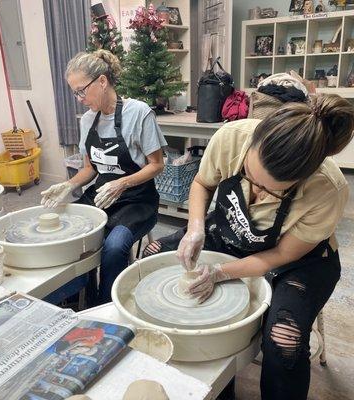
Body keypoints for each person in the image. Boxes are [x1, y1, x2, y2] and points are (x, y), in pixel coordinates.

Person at [143, 94, 354, 400]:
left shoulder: (327, 188)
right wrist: (195, 227)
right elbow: (203, 183)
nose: (256, 189)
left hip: (300, 259)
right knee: (154, 255)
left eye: (269, 189)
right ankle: (210, 386)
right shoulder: (232, 137)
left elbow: (281, 255)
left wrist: (219, 273)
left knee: (285, 340)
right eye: (249, 175)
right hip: (233, 231)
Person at [41, 50, 167, 304]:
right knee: (69, 234)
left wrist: (122, 183)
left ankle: (104, 306)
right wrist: (67, 185)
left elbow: (157, 165)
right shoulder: (88, 120)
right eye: (74, 92)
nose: (79, 99)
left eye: (81, 91)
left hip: (137, 200)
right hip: (101, 195)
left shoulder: (138, 113)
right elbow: (90, 169)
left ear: (102, 81)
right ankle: (75, 300)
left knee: (114, 247)